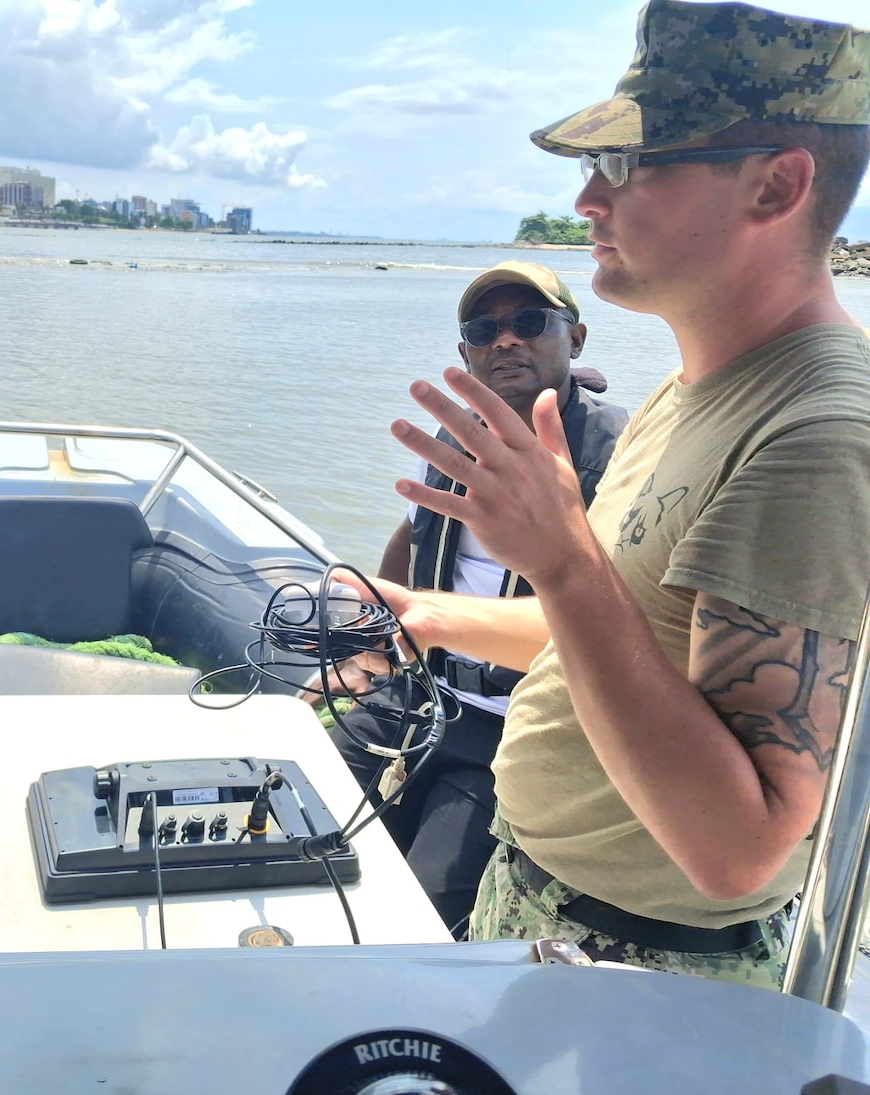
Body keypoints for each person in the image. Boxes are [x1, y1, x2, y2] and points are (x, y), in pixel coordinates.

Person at [347, 0, 870, 988]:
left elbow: (738, 847)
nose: (586, 197)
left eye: (629, 164)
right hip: (542, 904)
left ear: (776, 185)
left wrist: (557, 557)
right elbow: (623, 641)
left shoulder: (818, 433)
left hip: (647, 966)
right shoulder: (698, 386)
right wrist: (422, 613)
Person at [327, 262, 628, 937]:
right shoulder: (453, 435)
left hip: (514, 720)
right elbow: (415, 531)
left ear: (574, 338)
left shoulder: (620, 451)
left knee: (428, 914)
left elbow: (627, 609)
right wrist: (374, 635)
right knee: (298, 829)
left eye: (529, 323)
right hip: (421, 694)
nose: (505, 341)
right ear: (466, 353)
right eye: (483, 329)